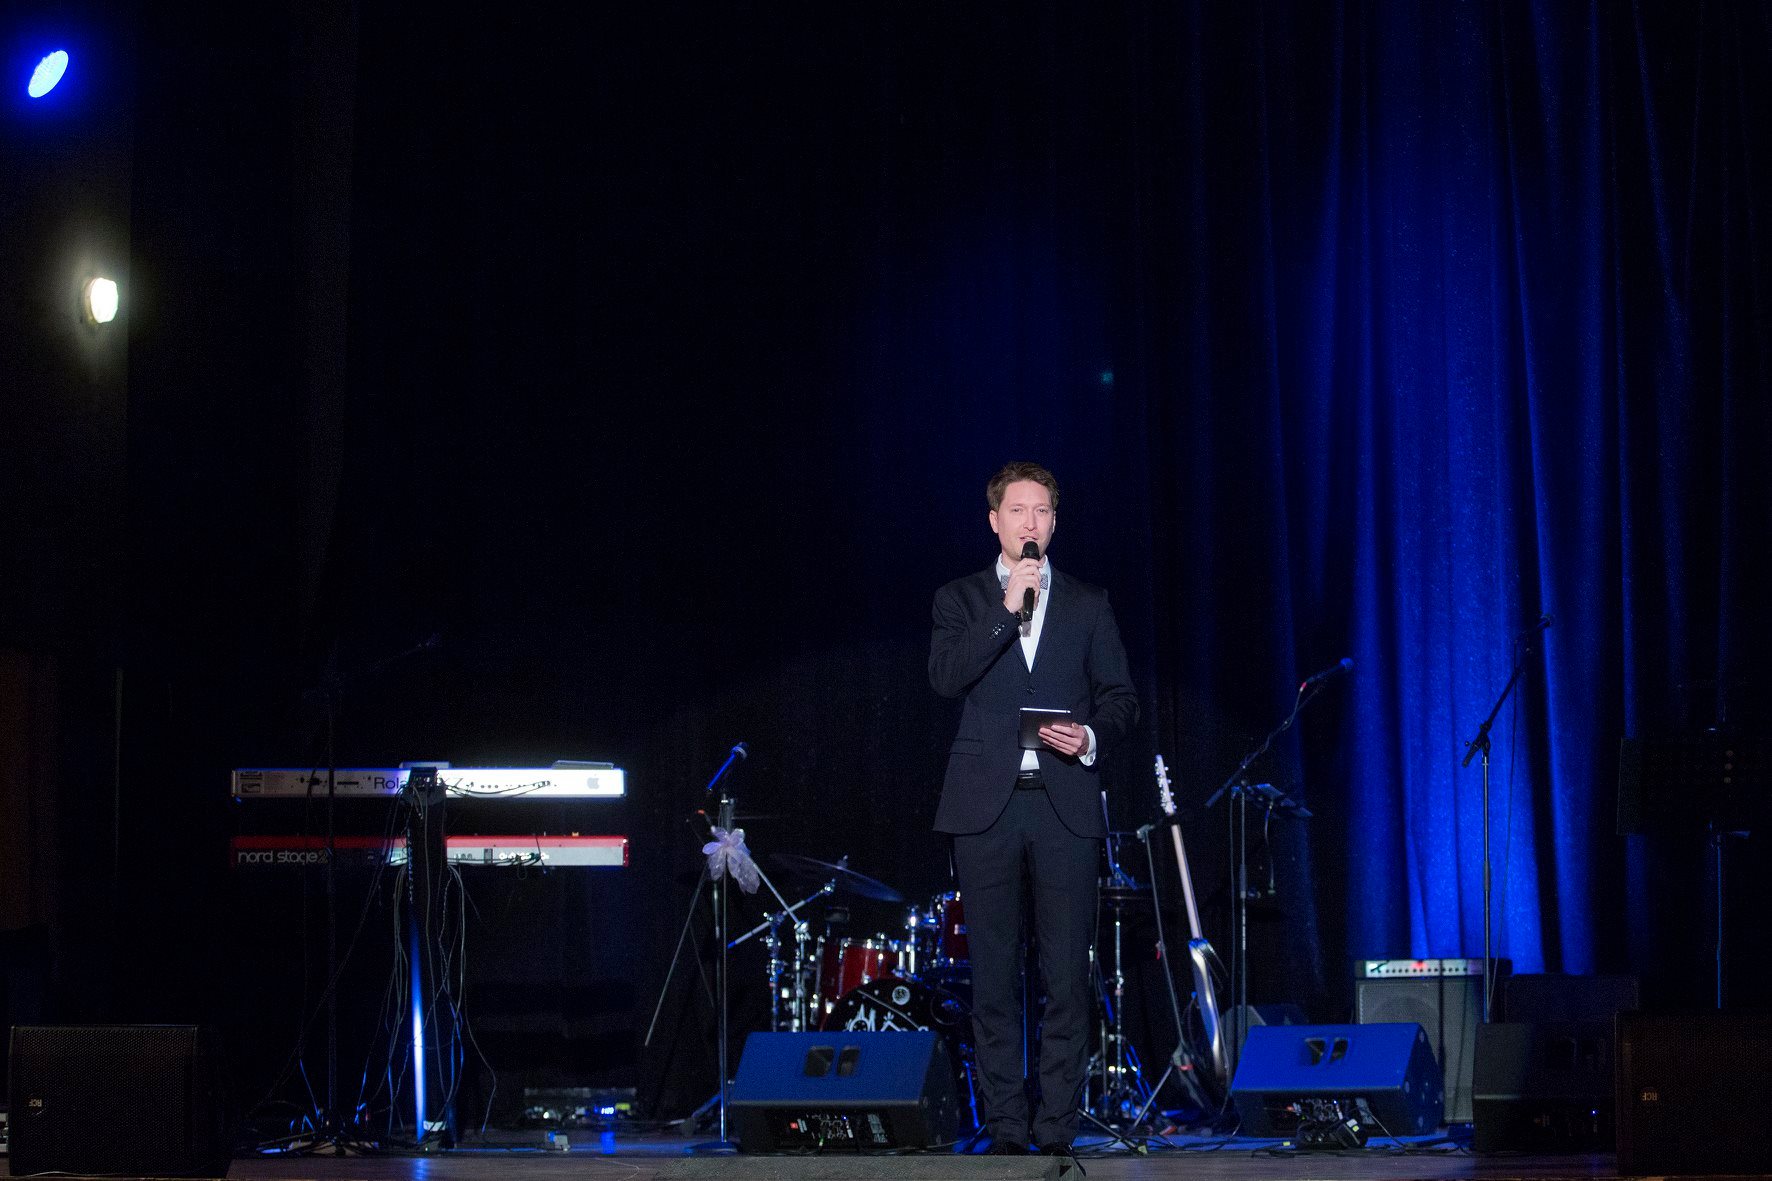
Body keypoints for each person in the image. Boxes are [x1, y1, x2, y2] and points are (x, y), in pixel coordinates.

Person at [928, 461, 1139, 1156]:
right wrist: (1005, 607)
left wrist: (1090, 736)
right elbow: (945, 677)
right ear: (995, 521)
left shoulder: (1088, 602)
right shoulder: (960, 599)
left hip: (1062, 805)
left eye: (1042, 511)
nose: (1030, 522)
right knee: (993, 979)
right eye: (1017, 510)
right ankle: (1006, 1127)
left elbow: (1121, 699)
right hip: (984, 809)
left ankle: (1056, 1129)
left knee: (1065, 978)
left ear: (1054, 522)